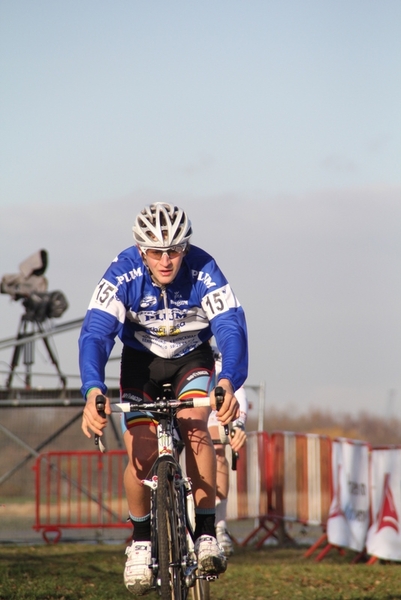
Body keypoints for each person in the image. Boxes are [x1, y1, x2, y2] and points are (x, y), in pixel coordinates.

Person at [78, 202, 248, 595]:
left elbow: (232, 328)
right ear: (142, 250)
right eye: (156, 251)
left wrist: (227, 381)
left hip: (192, 357)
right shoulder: (122, 272)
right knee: (140, 449)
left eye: (174, 249)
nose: (166, 259)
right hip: (142, 363)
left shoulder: (205, 269)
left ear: (185, 247)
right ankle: (139, 542)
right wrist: (92, 389)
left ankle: (206, 531)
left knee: (194, 426)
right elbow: (96, 334)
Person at [208, 346, 248, 557]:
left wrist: (238, 423)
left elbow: (237, 388)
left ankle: (219, 525)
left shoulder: (217, 353)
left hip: (210, 405)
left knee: (217, 451)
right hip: (183, 403)